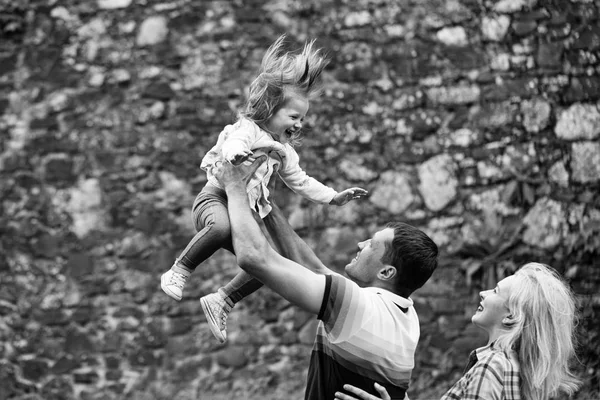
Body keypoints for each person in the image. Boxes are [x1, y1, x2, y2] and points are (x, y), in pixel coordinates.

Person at [159, 35, 368, 342]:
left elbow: (301, 180)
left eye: (303, 119)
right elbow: (233, 144)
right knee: (218, 229)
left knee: (268, 263)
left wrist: (333, 197)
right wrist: (235, 156)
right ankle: (179, 269)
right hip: (215, 198)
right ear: (270, 109)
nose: (299, 124)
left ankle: (223, 299)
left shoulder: (284, 151)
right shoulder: (248, 130)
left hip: (243, 211)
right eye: (294, 117)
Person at [210, 155, 439, 400]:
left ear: (386, 272)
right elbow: (315, 270)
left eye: (372, 245)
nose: (361, 244)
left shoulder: (358, 306)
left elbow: (253, 258)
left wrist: (234, 187)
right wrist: (267, 204)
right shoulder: (407, 318)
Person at [334, 262, 581, 400]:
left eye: (495, 291)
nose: (484, 293)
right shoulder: (516, 370)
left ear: (511, 317)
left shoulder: (490, 368)